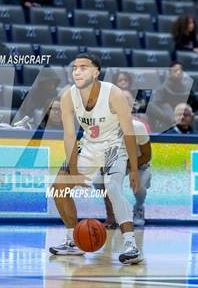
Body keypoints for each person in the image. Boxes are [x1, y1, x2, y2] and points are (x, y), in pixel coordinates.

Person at [48, 53, 142, 265]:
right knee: (58, 187)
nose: (77, 71)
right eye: (75, 68)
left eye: (83, 67)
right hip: (89, 145)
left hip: (114, 146)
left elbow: (129, 133)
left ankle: (131, 244)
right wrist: (73, 170)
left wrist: (134, 169)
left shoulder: (113, 94)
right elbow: (70, 136)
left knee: (112, 187)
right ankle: (72, 241)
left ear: (96, 72)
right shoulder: (67, 96)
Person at [94, 118, 151, 228]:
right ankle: (112, 215)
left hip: (139, 163)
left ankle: (139, 207)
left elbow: (147, 156)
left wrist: (129, 166)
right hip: (116, 161)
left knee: (140, 188)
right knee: (99, 182)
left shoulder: (138, 127)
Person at [147, 62, 198, 132]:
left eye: (180, 71)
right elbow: (154, 106)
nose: (178, 73)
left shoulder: (187, 89)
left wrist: (189, 111)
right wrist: (171, 117)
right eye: (176, 71)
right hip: (167, 118)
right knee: (165, 105)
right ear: (169, 73)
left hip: (183, 116)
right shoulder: (162, 89)